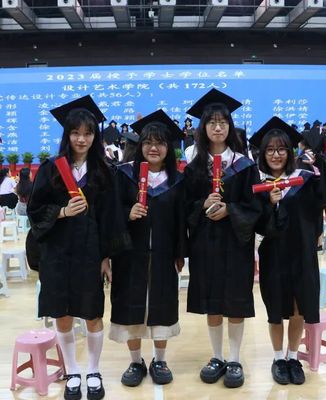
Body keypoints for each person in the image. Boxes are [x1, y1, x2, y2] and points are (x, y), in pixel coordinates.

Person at [28, 95, 123, 400]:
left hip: (90, 252)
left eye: (88, 133)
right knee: (63, 313)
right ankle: (72, 371)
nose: (82, 139)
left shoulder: (104, 171)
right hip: (57, 252)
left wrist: (106, 256)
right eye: (75, 133)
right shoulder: (51, 168)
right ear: (67, 135)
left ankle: (93, 370)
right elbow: (35, 210)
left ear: (95, 136)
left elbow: (111, 217)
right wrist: (62, 211)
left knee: (92, 312)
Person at [251, 117, 326, 386]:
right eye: (270, 150)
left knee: (299, 308)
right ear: (263, 154)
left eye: (281, 149)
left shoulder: (304, 178)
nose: (276, 155)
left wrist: (320, 161)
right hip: (273, 254)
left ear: (289, 152)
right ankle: (278, 358)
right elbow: (255, 223)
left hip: (302, 252)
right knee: (276, 309)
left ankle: (293, 358)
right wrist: (269, 204)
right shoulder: (257, 184)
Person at [184, 89, 261, 389]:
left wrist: (231, 209)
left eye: (223, 122)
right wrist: (202, 205)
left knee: (235, 301)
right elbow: (185, 206)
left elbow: (254, 205)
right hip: (205, 243)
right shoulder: (194, 167)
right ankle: (216, 356)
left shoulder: (244, 165)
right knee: (212, 302)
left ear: (230, 126)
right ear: (203, 127)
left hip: (235, 243)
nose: (218, 127)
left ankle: (235, 359)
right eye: (212, 122)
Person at [109, 110, 186, 387]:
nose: (154, 148)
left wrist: (180, 252)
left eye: (160, 143)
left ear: (168, 148)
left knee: (162, 305)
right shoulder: (123, 175)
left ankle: (160, 360)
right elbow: (110, 211)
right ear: (140, 146)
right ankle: (135, 361)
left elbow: (181, 219)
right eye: (148, 142)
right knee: (131, 305)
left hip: (164, 254)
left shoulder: (177, 180)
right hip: (130, 254)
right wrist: (126, 214)